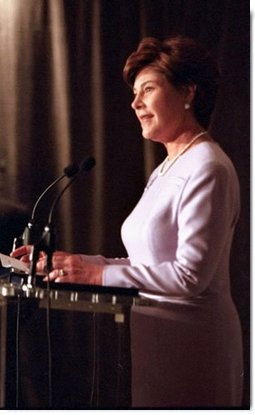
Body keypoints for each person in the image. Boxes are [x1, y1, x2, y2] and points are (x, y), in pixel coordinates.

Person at [11, 36, 243, 408]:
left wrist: (97, 276)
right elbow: (146, 265)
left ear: (188, 92)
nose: (136, 103)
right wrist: (76, 264)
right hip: (155, 341)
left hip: (192, 347)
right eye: (135, 93)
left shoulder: (208, 167)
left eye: (148, 90)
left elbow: (189, 276)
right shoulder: (168, 167)